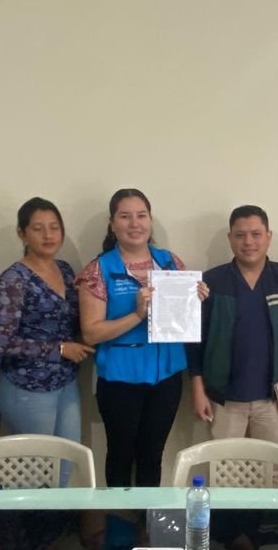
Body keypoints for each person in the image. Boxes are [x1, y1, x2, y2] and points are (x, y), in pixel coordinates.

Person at [77, 189, 208, 487]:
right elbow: (91, 332)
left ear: (150, 220)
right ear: (112, 224)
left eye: (141, 215)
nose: (134, 224)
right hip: (120, 381)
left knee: (153, 455)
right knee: (121, 455)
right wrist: (137, 315)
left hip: (167, 379)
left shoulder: (170, 262)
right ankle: (120, 517)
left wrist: (195, 300)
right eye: (125, 217)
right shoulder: (99, 270)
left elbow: (181, 319)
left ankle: (149, 517)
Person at [188, 205, 278, 444]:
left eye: (256, 234)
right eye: (240, 235)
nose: (248, 242)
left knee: (272, 465)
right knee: (224, 464)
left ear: (268, 236)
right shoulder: (211, 282)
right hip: (224, 398)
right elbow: (195, 341)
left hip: (276, 398)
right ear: (230, 238)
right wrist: (198, 390)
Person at [0, 197, 94, 485]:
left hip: (65, 381)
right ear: (22, 233)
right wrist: (59, 349)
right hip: (28, 387)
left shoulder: (65, 269)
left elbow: (73, 322)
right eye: (38, 229)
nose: (48, 235)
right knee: (34, 475)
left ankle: (55, 517)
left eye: (54, 227)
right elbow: (2, 343)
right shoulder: (14, 279)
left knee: (64, 467)